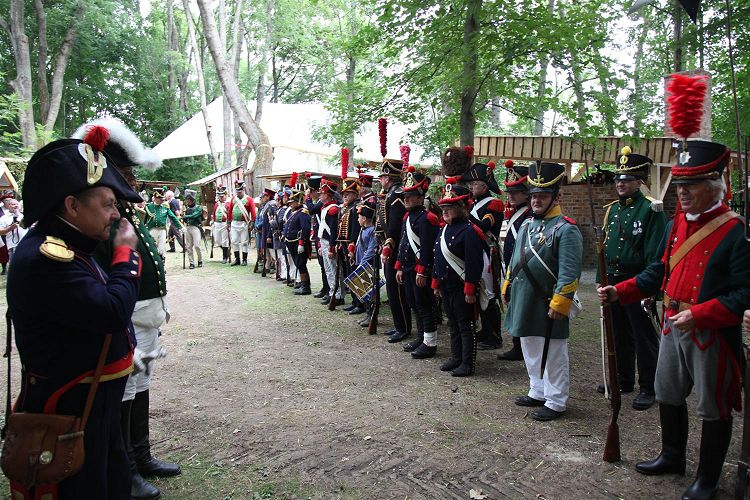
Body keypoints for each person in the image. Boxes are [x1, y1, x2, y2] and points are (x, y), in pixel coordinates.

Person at [598, 138, 750, 499]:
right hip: (671, 321)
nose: (682, 192)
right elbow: (658, 271)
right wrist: (622, 291)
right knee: (667, 391)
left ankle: (707, 480)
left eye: (691, 184)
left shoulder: (736, 230)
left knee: (713, 406)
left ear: (715, 185)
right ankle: (672, 456)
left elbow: (744, 293)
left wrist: (700, 314)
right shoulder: (676, 224)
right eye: (680, 184)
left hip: (711, 332)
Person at [6, 130, 143, 500]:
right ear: (72, 205)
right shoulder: (47, 257)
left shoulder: (73, 247)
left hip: (92, 404)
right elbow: (111, 311)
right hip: (69, 408)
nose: (116, 214)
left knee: (110, 483)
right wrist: (126, 255)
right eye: (108, 204)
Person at [73, 117, 181, 499]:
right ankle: (127, 468)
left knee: (141, 382)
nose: (133, 180)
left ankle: (141, 455)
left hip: (144, 312)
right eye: (126, 173)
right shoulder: (103, 216)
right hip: (127, 312)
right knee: (125, 388)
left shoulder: (124, 210)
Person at [503, 161, 582, 422]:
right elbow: (515, 259)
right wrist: (507, 284)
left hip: (547, 299)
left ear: (556, 197)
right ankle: (537, 389)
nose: (536, 200)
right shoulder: (527, 225)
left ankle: (556, 399)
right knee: (530, 345)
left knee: (553, 350)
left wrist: (560, 302)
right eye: (534, 195)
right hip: (524, 296)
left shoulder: (566, 229)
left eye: (543, 196)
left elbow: (569, 271)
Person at [596, 147, 666, 410]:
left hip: (638, 281)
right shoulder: (612, 210)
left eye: (627, 179)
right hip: (614, 279)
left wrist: (650, 289)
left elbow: (655, 253)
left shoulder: (651, 210)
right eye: (618, 179)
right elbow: (606, 246)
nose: (620, 184)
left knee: (643, 335)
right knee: (618, 332)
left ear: (640, 181)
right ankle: (623, 379)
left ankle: (649, 386)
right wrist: (602, 278)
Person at [431, 180, 484, 376]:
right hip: (446, 284)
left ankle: (467, 363)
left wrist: (470, 288)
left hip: (462, 286)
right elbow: (437, 257)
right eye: (443, 207)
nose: (445, 211)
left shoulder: (469, 231)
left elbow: (474, 263)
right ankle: (456, 357)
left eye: (450, 207)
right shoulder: (444, 229)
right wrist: (436, 282)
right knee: (452, 323)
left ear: (460, 208)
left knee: (465, 325)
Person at [395, 168, 441, 358]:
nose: (406, 199)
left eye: (411, 195)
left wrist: (422, 271)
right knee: (413, 303)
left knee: (424, 305)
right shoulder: (408, 217)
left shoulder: (427, 218)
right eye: (405, 195)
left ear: (421, 198)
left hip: (420, 270)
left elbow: (428, 249)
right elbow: (403, 243)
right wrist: (399, 266)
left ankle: (430, 343)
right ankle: (421, 338)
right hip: (408, 269)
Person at [461, 161, 505, 351]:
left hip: (488, 252)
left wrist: (464, 214)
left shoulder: (494, 203)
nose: (471, 187)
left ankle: (494, 335)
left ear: (485, 186)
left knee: (489, 293)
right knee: (478, 293)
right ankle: (485, 330)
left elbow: (484, 226)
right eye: (470, 184)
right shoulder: (473, 204)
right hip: (476, 251)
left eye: (474, 184)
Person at [497, 160, 532, 361]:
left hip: (523, 269)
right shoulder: (518, 212)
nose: (510, 196)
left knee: (522, 309)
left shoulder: (529, 214)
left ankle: (523, 347)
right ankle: (518, 346)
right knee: (514, 307)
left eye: (515, 192)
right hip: (513, 268)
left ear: (526, 193)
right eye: (509, 192)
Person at [377, 158, 412, 341]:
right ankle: (399, 325)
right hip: (390, 246)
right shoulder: (391, 193)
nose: (380, 180)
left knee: (396, 290)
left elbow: (395, 224)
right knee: (392, 289)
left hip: (396, 248)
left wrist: (389, 245)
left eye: (382, 176)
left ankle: (403, 327)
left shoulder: (396, 194)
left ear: (388, 177)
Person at [338, 177, 363, 313]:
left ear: (355, 194)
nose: (345, 196)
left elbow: (355, 230)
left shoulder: (356, 208)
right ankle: (354, 301)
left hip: (353, 246)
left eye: (348, 194)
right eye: (344, 194)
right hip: (345, 246)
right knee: (349, 274)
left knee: (355, 274)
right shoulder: (347, 208)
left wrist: (352, 246)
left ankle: (360, 304)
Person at [316, 179, 342, 306]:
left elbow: (333, 231)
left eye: (321, 193)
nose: (319, 196)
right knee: (328, 270)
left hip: (329, 243)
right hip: (324, 242)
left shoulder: (333, 209)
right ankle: (332, 292)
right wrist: (321, 245)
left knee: (334, 270)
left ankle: (338, 295)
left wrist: (332, 247)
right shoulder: (325, 208)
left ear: (327, 195)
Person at [354, 200, 378, 326]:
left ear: (364, 218)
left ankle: (372, 316)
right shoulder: (363, 229)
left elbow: (371, 250)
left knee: (370, 292)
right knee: (364, 291)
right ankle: (368, 314)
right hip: (362, 263)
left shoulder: (372, 230)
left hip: (368, 264)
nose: (358, 219)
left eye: (359, 217)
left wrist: (362, 262)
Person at [283, 190, 312, 294]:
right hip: (291, 242)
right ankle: (303, 285)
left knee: (301, 264)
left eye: (292, 202)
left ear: (298, 202)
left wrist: (301, 243)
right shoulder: (294, 213)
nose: (290, 204)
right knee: (298, 264)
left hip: (298, 243)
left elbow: (305, 229)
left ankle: (306, 287)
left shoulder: (303, 213)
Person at [144, 186, 183, 259]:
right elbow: (144, 220)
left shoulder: (165, 207)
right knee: (152, 247)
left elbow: (173, 217)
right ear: (155, 198)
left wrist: (180, 227)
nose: (162, 200)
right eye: (160, 199)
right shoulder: (148, 207)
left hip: (162, 230)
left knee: (161, 248)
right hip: (151, 229)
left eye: (162, 199)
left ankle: (162, 261)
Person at [227, 180, 256, 266]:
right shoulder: (233, 199)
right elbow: (230, 211)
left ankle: (244, 260)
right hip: (234, 223)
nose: (238, 192)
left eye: (240, 191)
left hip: (244, 223)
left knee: (244, 242)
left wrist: (252, 223)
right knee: (234, 241)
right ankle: (237, 259)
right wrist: (228, 222)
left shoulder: (249, 199)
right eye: (237, 191)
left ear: (243, 189)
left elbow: (253, 212)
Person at [0, 198, 27, 264]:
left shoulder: (24, 216)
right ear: (8, 206)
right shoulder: (4, 218)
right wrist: (10, 228)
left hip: (25, 244)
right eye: (13, 204)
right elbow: (0, 232)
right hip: (12, 246)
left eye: (17, 204)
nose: (16, 206)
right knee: (14, 265)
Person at [183, 189, 204, 269]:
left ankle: (200, 260)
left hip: (196, 227)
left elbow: (194, 216)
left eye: (188, 199)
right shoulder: (187, 209)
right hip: (188, 227)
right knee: (189, 247)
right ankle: (191, 262)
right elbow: (185, 220)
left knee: (197, 245)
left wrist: (185, 216)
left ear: (192, 200)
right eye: (187, 199)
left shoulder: (198, 208)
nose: (187, 201)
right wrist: (184, 218)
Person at [211, 185, 230, 263]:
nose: (221, 197)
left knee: (224, 241)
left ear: (225, 195)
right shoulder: (216, 204)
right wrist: (212, 220)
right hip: (217, 224)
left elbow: (230, 214)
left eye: (222, 196)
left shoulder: (228, 204)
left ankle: (225, 257)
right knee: (218, 241)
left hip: (224, 224)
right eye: (220, 196)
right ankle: (227, 252)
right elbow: (214, 213)